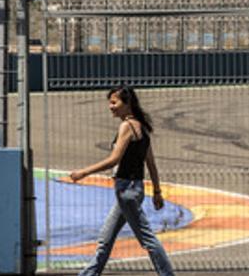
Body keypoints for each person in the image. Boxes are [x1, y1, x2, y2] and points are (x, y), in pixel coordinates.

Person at [70, 84, 176, 276]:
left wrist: (83, 172)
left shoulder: (127, 126)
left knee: (147, 240)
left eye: (114, 102)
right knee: (105, 239)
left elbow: (114, 159)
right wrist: (157, 192)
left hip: (127, 191)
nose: (110, 106)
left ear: (127, 104)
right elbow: (151, 164)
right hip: (132, 190)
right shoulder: (141, 127)